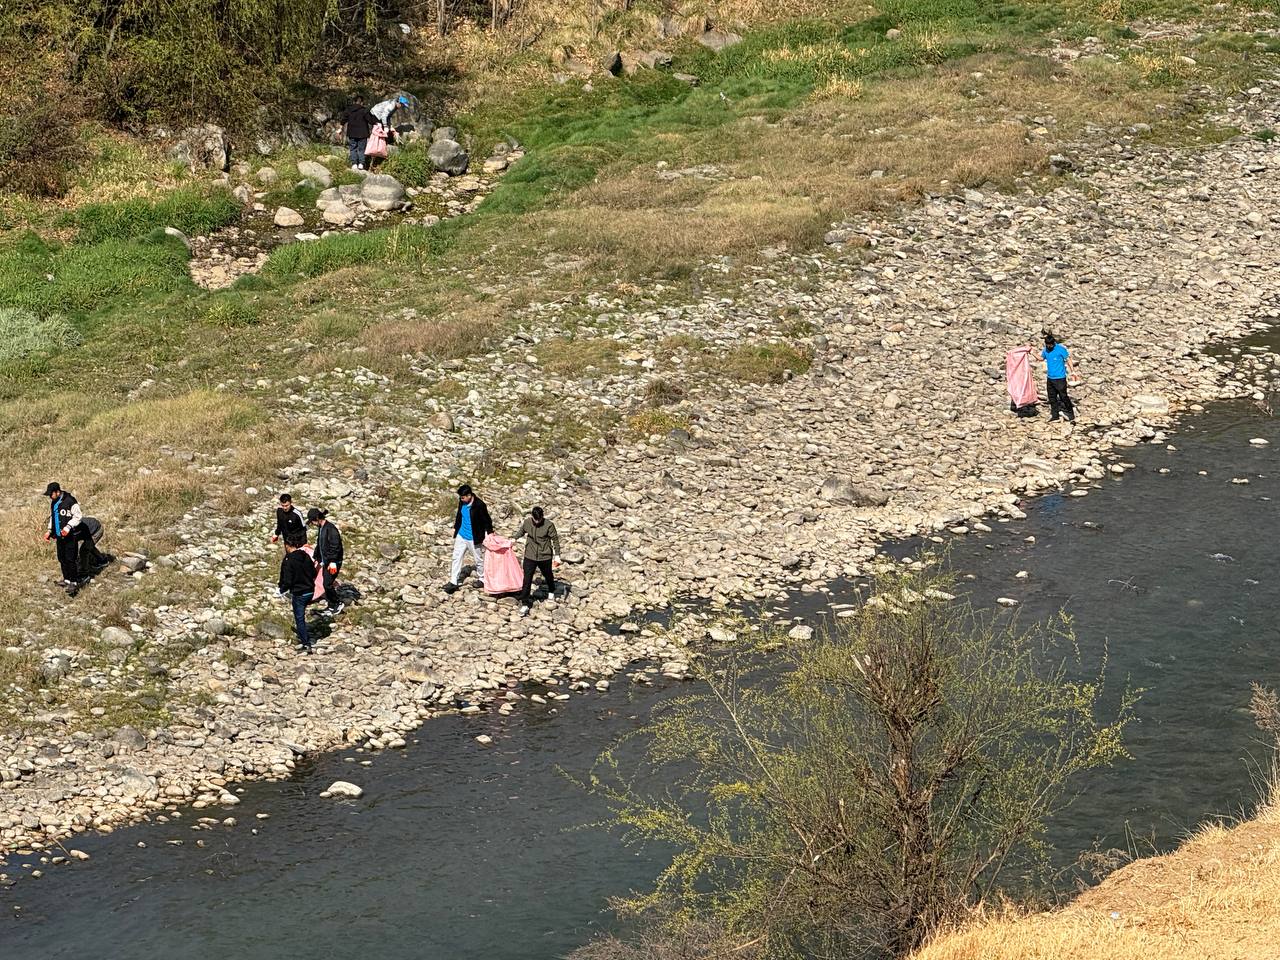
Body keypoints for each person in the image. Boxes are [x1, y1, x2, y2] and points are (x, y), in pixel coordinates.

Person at [511, 506, 562, 617]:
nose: (537, 521)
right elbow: (521, 531)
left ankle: (551, 591)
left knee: (548, 574)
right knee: (527, 578)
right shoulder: (527, 522)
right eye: (535, 520)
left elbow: (555, 540)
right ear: (532, 517)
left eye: (539, 519)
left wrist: (557, 555)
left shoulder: (549, 525)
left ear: (542, 517)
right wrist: (514, 539)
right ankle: (525, 602)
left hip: (545, 556)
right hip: (530, 555)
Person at [445, 484, 493, 594]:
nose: (461, 499)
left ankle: (482, 579)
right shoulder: (462, 502)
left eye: (463, 497)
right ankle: (453, 581)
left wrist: (490, 534)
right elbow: (459, 515)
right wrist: (456, 528)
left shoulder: (480, 505)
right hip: (461, 535)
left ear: (469, 495)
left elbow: (487, 520)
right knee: (456, 557)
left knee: (478, 559)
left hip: (474, 537)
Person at [44, 482, 90, 590]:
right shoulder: (54, 503)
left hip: (70, 536)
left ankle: (74, 582)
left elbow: (78, 516)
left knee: (71, 559)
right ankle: (66, 579)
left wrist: (68, 527)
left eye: (51, 494)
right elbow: (53, 517)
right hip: (59, 536)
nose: (50, 496)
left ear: (57, 492)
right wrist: (49, 531)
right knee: (62, 558)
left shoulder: (70, 501)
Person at [277, 531, 318, 654]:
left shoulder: (289, 560)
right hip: (310, 591)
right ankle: (304, 637)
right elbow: (313, 573)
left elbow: (287, 580)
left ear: (287, 546)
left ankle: (306, 643)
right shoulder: (305, 556)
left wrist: (281, 590)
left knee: (299, 618)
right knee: (301, 616)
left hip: (299, 593)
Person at [307, 508, 345, 615]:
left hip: (334, 562)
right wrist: (316, 558)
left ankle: (337, 603)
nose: (313, 524)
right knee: (326, 583)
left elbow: (336, 546)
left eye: (313, 521)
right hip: (326, 562)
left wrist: (333, 561)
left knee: (327, 584)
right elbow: (320, 545)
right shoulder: (322, 528)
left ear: (318, 519)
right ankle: (332, 605)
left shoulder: (331, 529)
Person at [1041, 332, 1077, 423]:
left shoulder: (1061, 349)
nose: (1049, 347)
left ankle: (1071, 413)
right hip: (1050, 378)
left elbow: (1068, 359)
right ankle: (1055, 415)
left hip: (1060, 378)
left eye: (1050, 345)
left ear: (1054, 343)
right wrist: (1031, 352)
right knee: (1051, 397)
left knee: (1063, 396)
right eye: (1047, 345)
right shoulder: (1046, 350)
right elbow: (1041, 358)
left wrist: (1073, 372)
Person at [342, 95, 378, 171]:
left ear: (354, 102)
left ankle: (354, 164)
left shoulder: (349, 110)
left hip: (352, 133)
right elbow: (371, 120)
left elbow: (343, 119)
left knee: (353, 149)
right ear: (361, 102)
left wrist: (339, 128)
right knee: (362, 149)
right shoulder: (364, 110)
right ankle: (361, 164)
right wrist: (377, 121)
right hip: (362, 133)